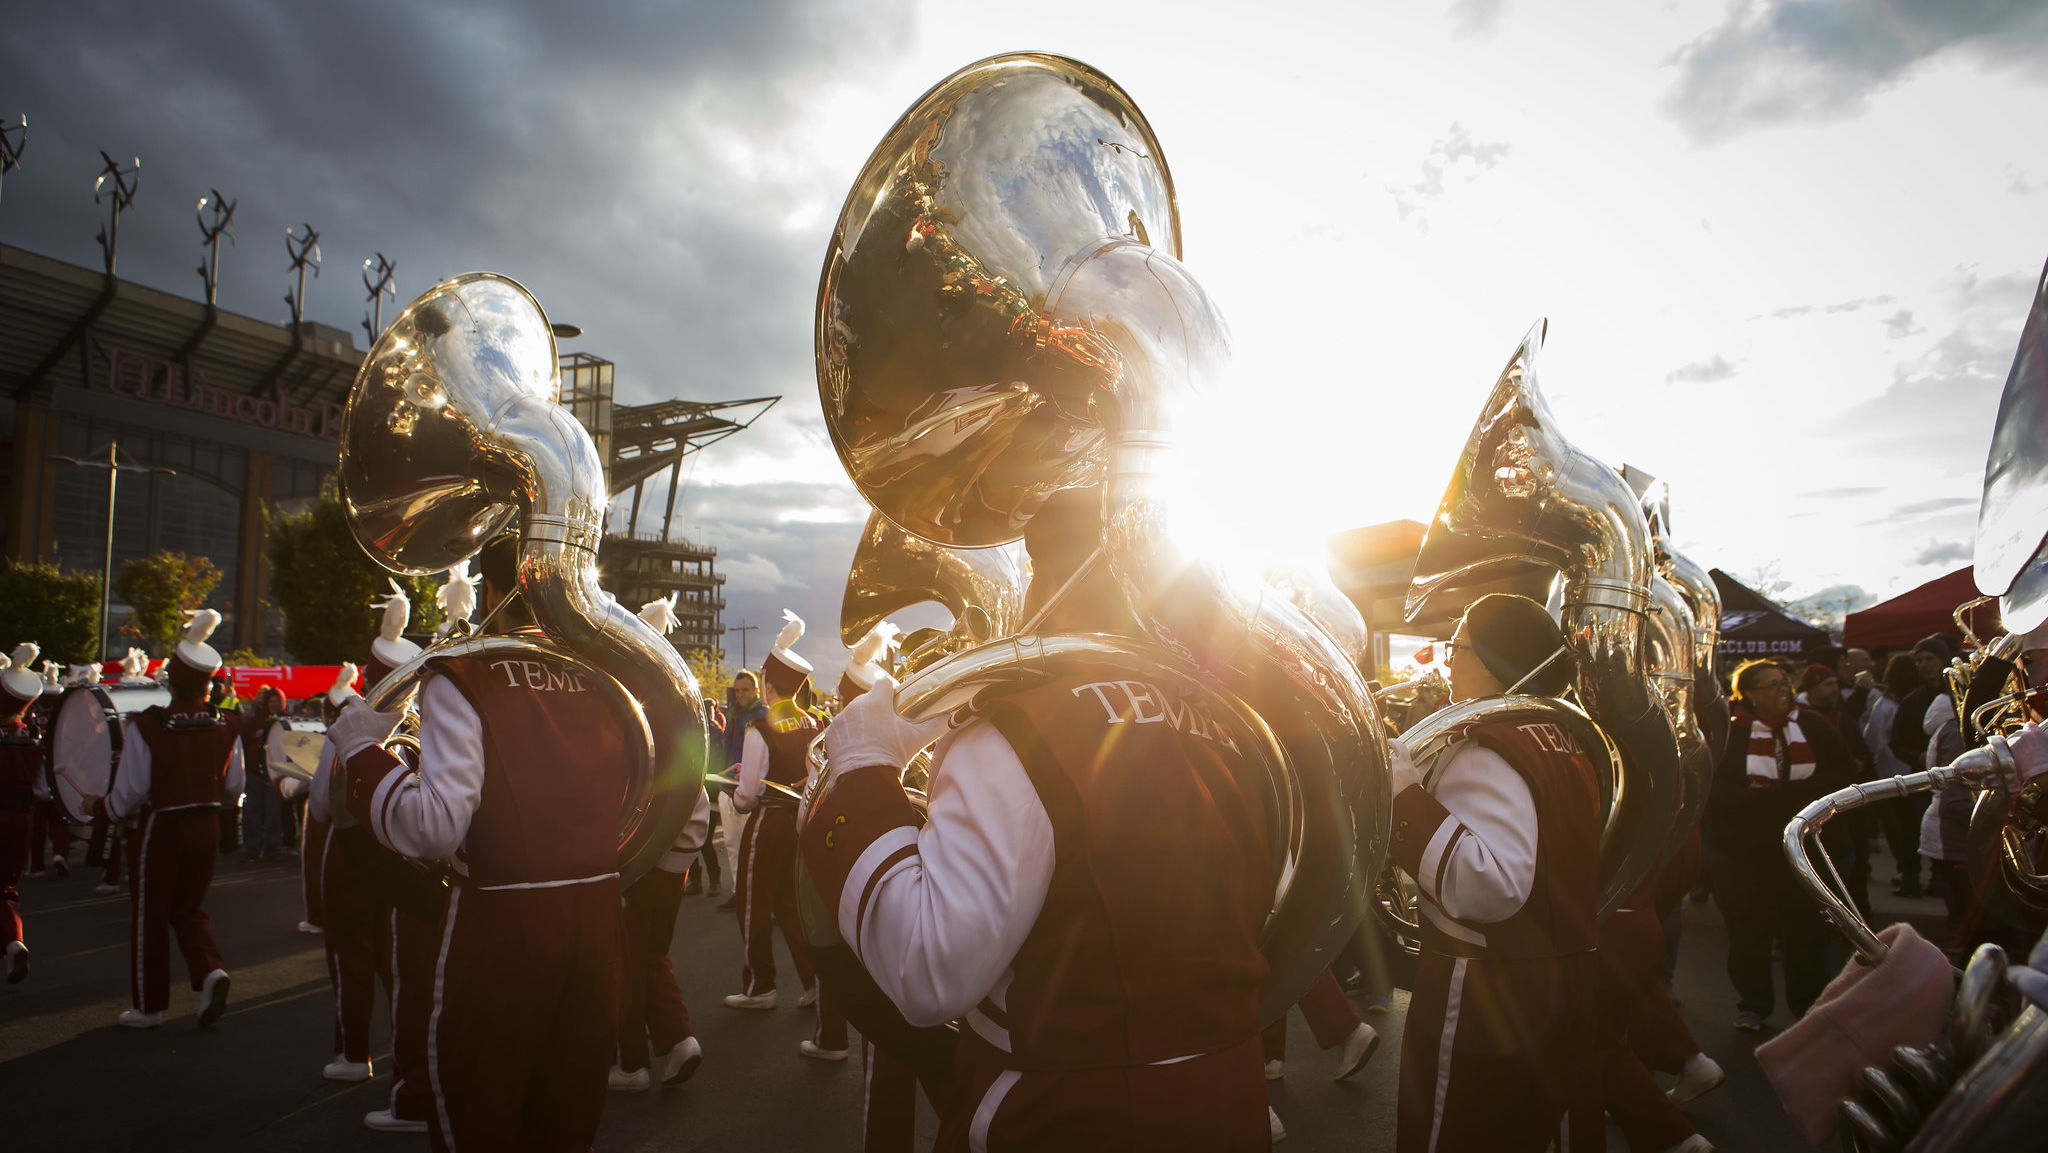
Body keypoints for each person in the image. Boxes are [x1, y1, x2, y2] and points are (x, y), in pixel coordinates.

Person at [802, 490, 1278, 1151]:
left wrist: (862, 766)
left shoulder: (1016, 732)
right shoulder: (1230, 731)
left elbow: (929, 968)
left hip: (1071, 1115)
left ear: (1048, 579)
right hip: (1228, 1100)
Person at [330, 535, 627, 1152]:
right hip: (600, 921)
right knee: (565, 1119)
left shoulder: (463, 676)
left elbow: (433, 827)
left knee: (478, 1112)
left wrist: (363, 753)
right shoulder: (602, 677)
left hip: (501, 925)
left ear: (490, 593)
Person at [1374, 594, 1603, 1152]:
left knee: (1455, 1135)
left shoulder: (1484, 747)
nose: (1448, 662)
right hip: (1564, 976)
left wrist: (1401, 793)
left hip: (1484, 985)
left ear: (1496, 658)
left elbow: (1489, 886)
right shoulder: (1563, 734)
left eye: (1458, 647)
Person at [93, 611, 242, 1029]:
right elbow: (234, 788)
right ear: (209, 684)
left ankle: (149, 1006)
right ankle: (211, 969)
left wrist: (100, 809)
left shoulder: (147, 725)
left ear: (170, 681)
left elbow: (131, 793)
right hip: (209, 825)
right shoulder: (226, 725)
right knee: (189, 907)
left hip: (162, 829)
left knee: (150, 914)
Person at [1704, 659, 1857, 1032]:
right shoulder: (1730, 733)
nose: (1782, 691)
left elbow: (1845, 773)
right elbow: (1714, 788)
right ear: (1749, 695)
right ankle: (1753, 1005)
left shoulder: (1812, 726)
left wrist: (1786, 794)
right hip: (1744, 854)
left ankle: (1808, 1005)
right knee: (1748, 934)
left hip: (1805, 851)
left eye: (1784, 684)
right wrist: (1760, 800)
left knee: (1806, 933)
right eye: (1771, 686)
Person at [724, 611, 849, 1060]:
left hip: (770, 822)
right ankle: (812, 982)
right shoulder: (815, 722)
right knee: (795, 906)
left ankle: (760, 985)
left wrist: (736, 798)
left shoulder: (760, 728)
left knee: (754, 900)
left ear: (770, 686)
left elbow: (749, 793)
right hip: (803, 824)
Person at [611, 596, 710, 1093]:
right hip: (675, 853)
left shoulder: (641, 707)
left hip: (649, 853)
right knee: (649, 954)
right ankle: (676, 1040)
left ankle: (631, 1061)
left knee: (629, 957)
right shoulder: (677, 701)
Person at [1, 643, 45, 984]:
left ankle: (12, 943)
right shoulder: (33, 737)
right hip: (24, 816)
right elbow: (43, 789)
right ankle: (15, 940)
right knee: (7, 887)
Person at [1866, 654, 1925, 896]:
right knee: (1915, 825)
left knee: (1899, 826)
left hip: (1891, 772)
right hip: (1918, 771)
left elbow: (1873, 739)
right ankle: (1922, 875)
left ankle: (1907, 872)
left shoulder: (1885, 704)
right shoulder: (1921, 700)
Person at [715, 670, 766, 912]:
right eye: (737, 690)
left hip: (754, 792)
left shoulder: (764, 716)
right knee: (733, 844)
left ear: (756, 690)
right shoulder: (732, 715)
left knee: (754, 849)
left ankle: (757, 896)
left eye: (745, 690)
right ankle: (739, 893)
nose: (740, 694)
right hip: (728, 789)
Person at [240, 686, 287, 860]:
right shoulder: (254, 722)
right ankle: (252, 847)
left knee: (273, 812)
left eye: (277, 701)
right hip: (255, 774)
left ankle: (273, 847)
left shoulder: (286, 721)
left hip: (276, 776)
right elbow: (243, 744)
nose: (274, 704)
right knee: (252, 811)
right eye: (271, 701)